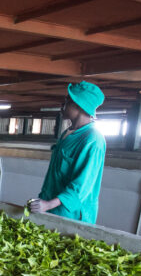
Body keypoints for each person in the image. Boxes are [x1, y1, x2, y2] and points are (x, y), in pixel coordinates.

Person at [28, 81, 106, 224]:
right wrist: (44, 202)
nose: (63, 106)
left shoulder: (93, 139)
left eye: (67, 101)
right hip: (51, 207)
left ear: (78, 105)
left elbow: (82, 185)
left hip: (72, 215)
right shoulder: (68, 133)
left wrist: (48, 204)